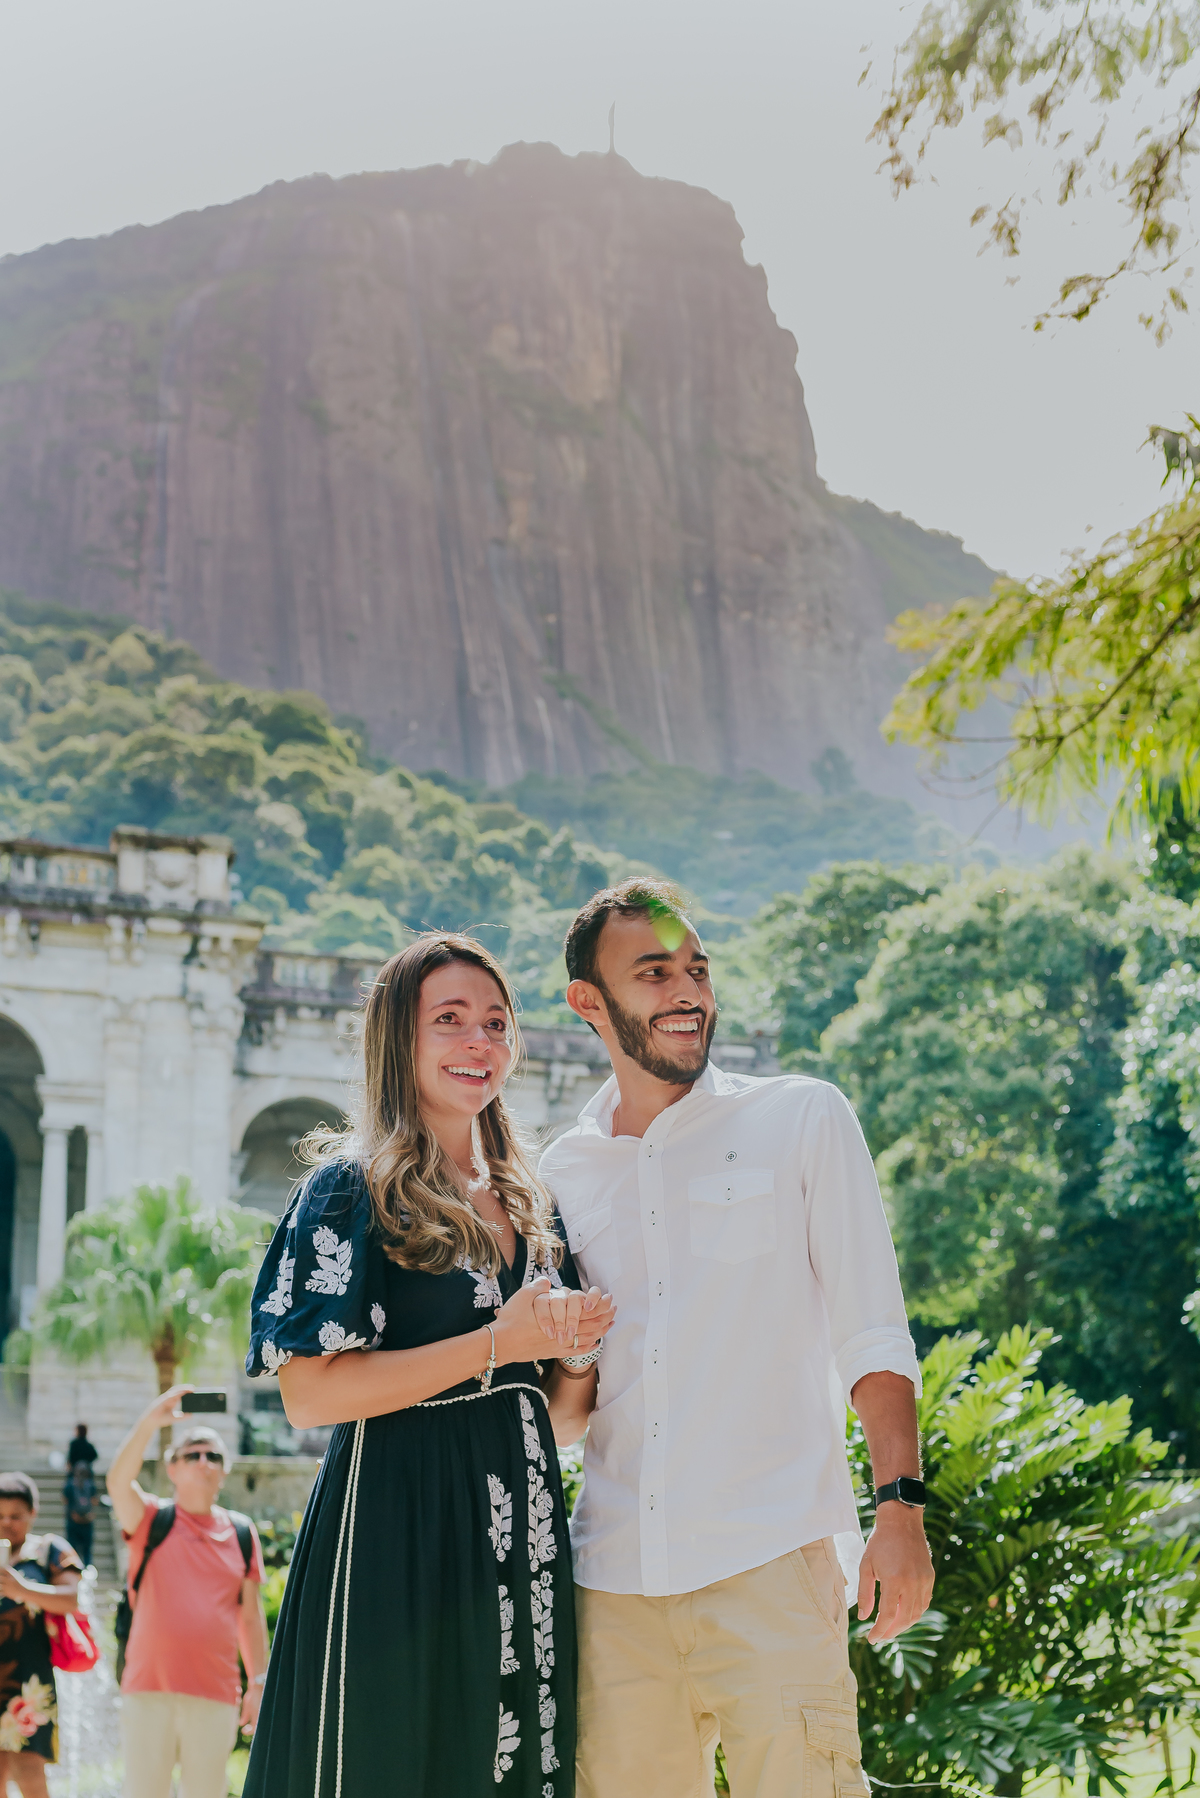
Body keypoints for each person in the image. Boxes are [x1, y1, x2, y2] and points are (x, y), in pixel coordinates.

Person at [539, 879, 936, 1798]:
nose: (687, 992)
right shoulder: (562, 1170)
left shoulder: (801, 1117)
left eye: (698, 969)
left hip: (772, 1555)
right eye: (654, 972)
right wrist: (565, 1350)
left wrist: (901, 1512)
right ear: (588, 1004)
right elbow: (570, 1406)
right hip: (614, 1580)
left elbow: (871, 1328)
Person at [243, 932, 617, 1798]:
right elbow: (309, 1393)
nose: (478, 1041)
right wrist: (498, 1344)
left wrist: (576, 1345)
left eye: (495, 1021)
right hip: (396, 1521)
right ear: (397, 1042)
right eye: (449, 1020)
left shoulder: (535, 1200)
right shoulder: (351, 1187)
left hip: (521, 1525)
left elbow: (555, 1416)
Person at [106, 1405, 269, 1798]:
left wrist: (259, 1684)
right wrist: (149, 1421)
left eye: (213, 1455)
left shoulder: (243, 1533)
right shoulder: (150, 1520)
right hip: (148, 1689)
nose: (203, 1461)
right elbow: (117, 1482)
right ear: (172, 1469)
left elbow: (250, 1618)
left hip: (215, 1692)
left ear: (224, 1470)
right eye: (192, 1453)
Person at [0, 1471, 83, 1798]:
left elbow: (71, 1599)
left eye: (16, 1516)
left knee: (29, 1770)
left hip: (29, 1681)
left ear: (33, 1513)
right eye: (0, 1516)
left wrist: (23, 1589)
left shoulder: (50, 1549)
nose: (7, 1523)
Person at [62, 1462, 97, 1569]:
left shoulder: (69, 1485)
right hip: (87, 1521)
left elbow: (64, 1500)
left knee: (73, 1549)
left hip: (73, 1521)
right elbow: (94, 1501)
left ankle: (74, 1570)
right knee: (87, 1551)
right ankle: (88, 1571)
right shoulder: (91, 1486)